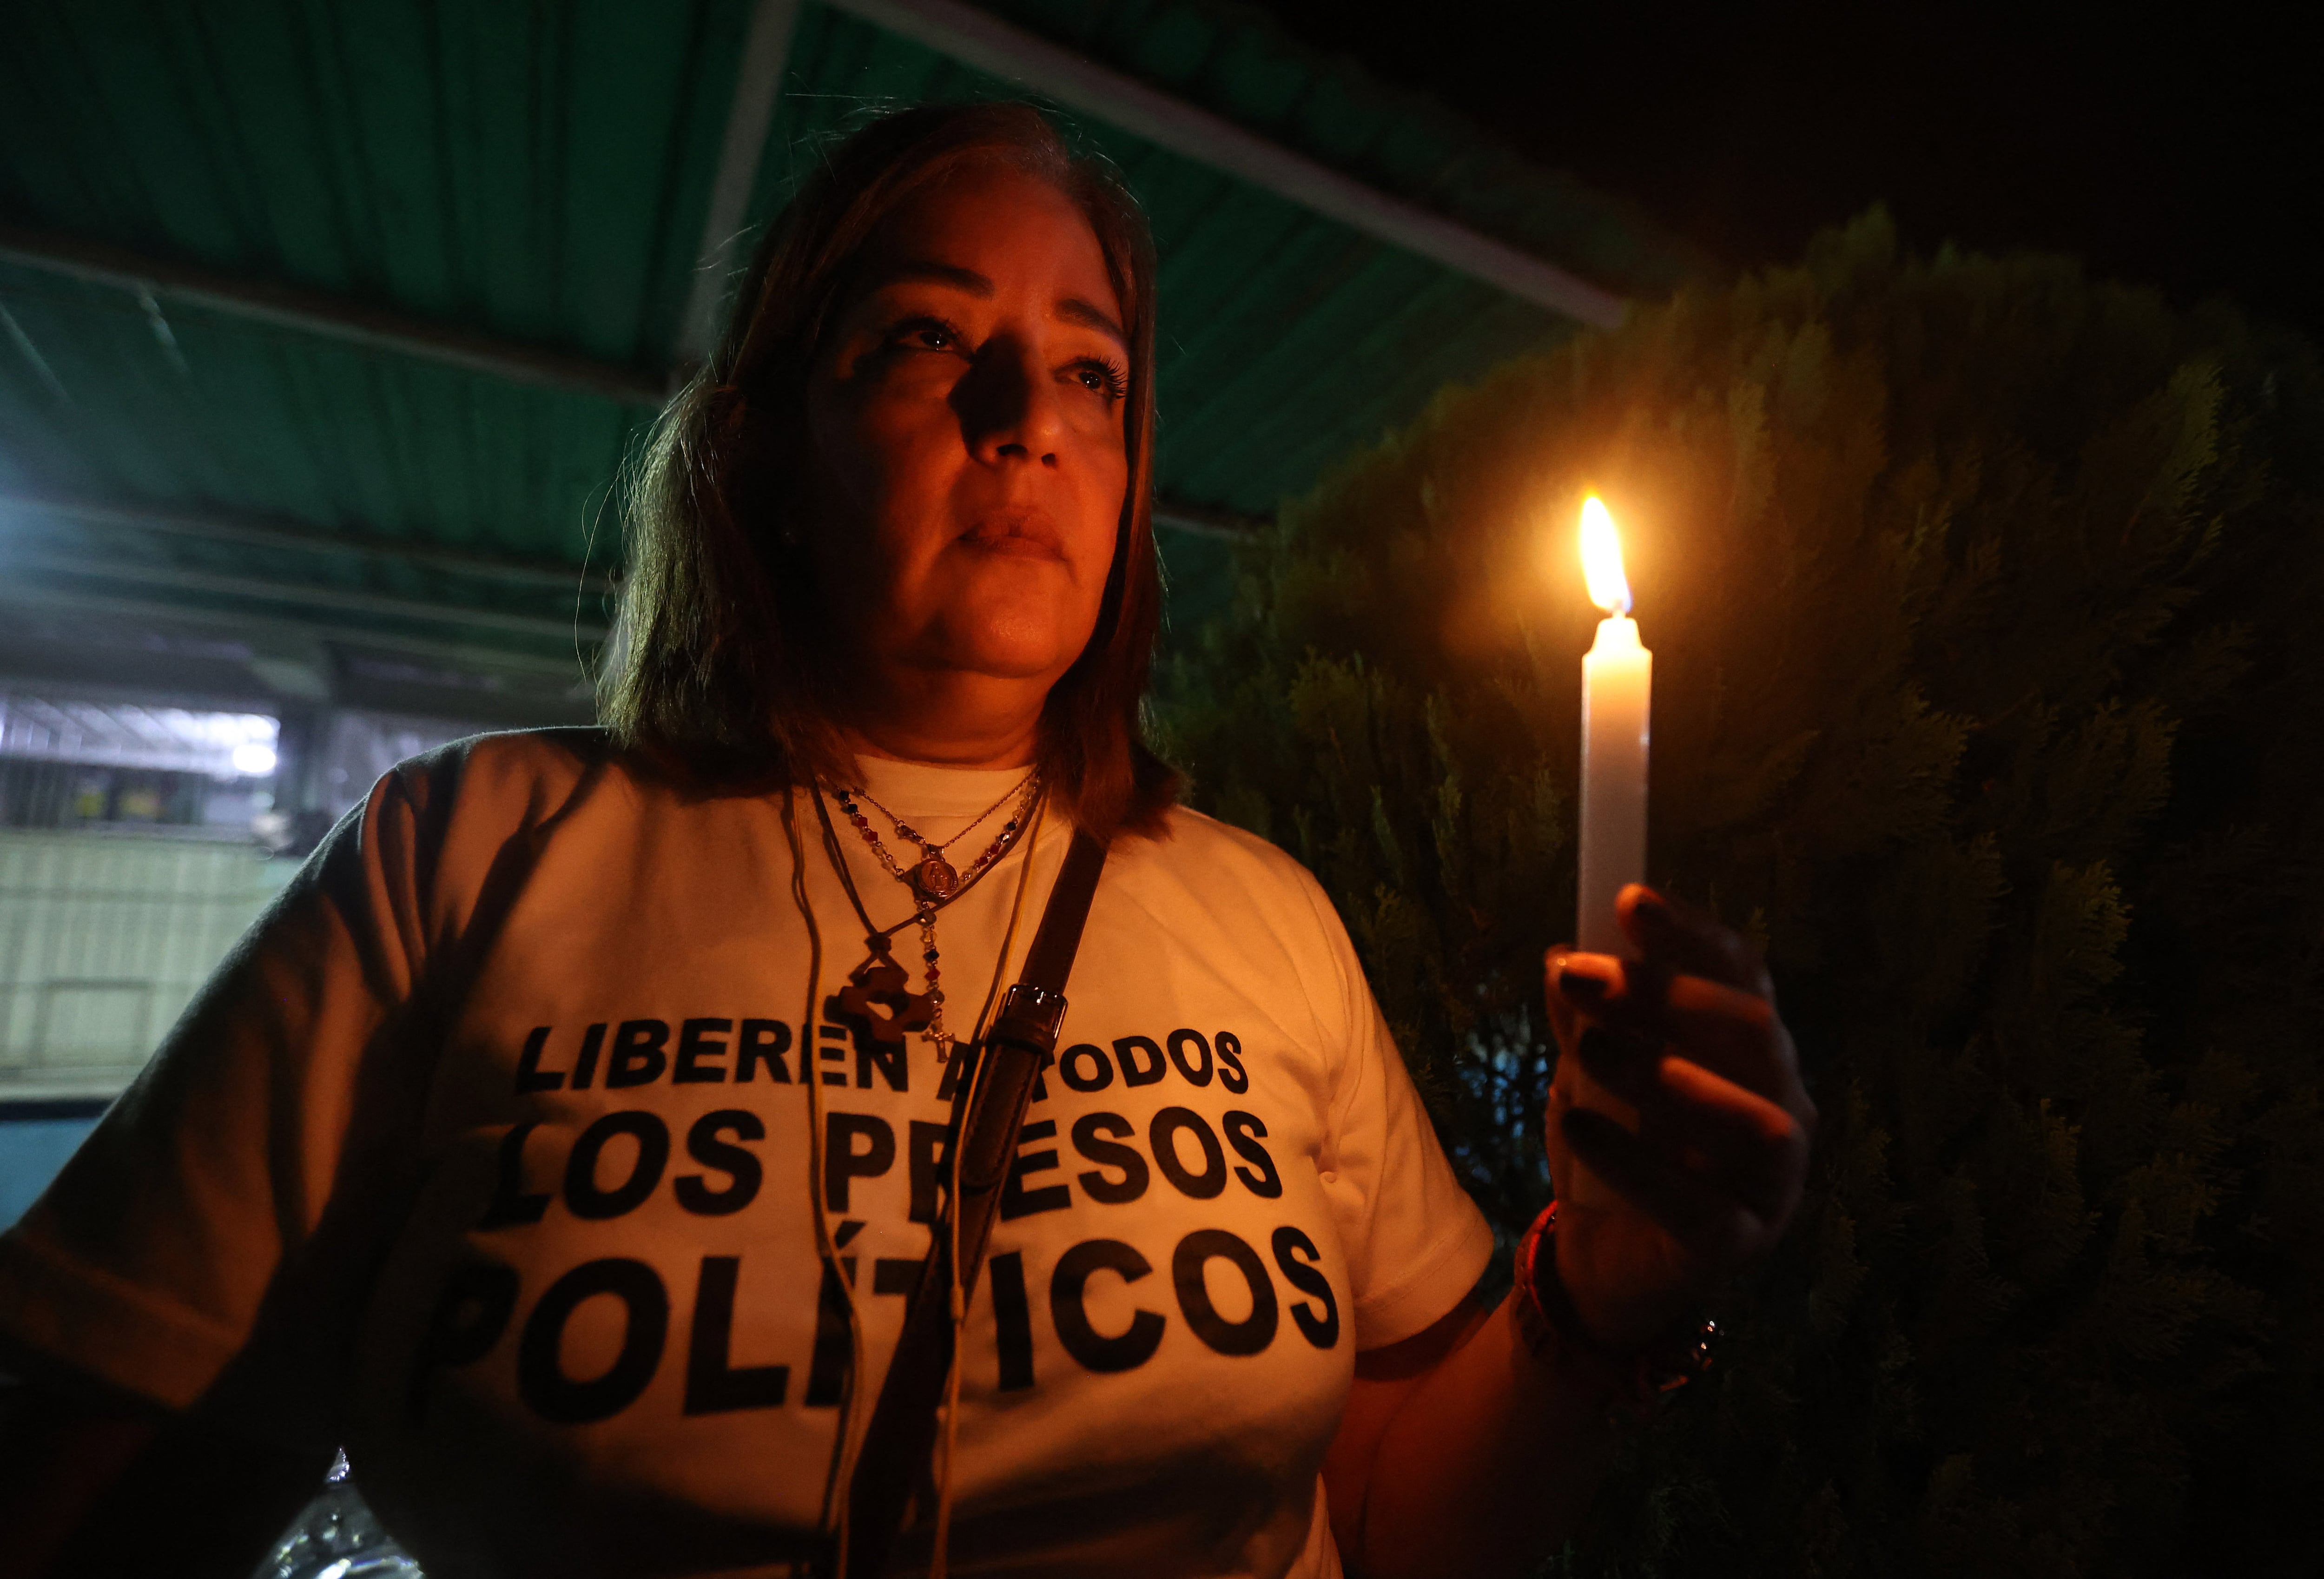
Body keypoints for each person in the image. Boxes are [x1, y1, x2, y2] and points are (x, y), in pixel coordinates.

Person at [0, 104, 1813, 1579]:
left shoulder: (1258, 915)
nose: (1026, 421)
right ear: (766, 455)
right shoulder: (465, 855)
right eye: (928, 340)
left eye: (1089, 373)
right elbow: (107, 1492)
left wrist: (1593, 1297)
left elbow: (1403, 1519)